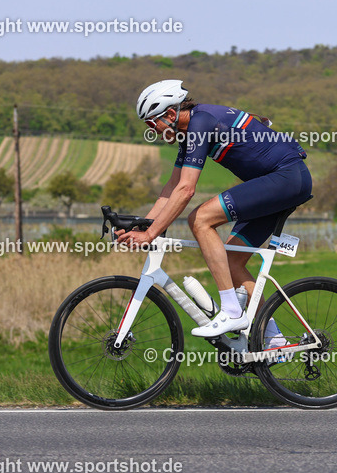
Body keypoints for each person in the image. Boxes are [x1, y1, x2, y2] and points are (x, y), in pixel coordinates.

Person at [117, 79, 311, 350]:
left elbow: (186, 190)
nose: (153, 131)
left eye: (152, 124)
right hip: (280, 182)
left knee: (200, 218)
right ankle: (274, 340)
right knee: (232, 260)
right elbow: (171, 187)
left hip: (286, 178)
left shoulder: (200, 123)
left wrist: (151, 233)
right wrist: (144, 226)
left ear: (171, 115)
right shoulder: (190, 130)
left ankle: (231, 311)